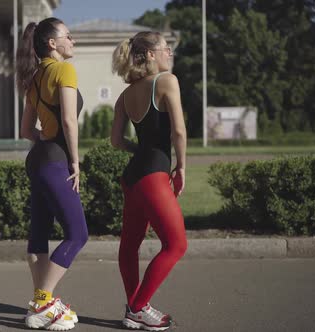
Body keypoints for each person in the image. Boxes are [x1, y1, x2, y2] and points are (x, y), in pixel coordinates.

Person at [110, 31, 188, 331]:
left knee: (129, 246)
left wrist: (139, 150)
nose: (170, 52)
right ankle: (138, 308)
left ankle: (136, 307)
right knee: (176, 244)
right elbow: (178, 132)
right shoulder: (167, 81)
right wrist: (181, 167)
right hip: (154, 176)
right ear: (151, 55)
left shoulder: (125, 95)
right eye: (165, 47)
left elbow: (116, 141)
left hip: (132, 177)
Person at [15, 17, 88, 331]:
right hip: (57, 160)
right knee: (78, 233)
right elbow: (70, 123)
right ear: (51, 43)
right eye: (68, 36)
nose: (72, 41)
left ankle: (39, 304)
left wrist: (45, 139)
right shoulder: (64, 70)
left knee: (39, 234)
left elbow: (25, 130)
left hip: (38, 160)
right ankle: (44, 301)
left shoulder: (33, 78)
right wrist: (75, 162)